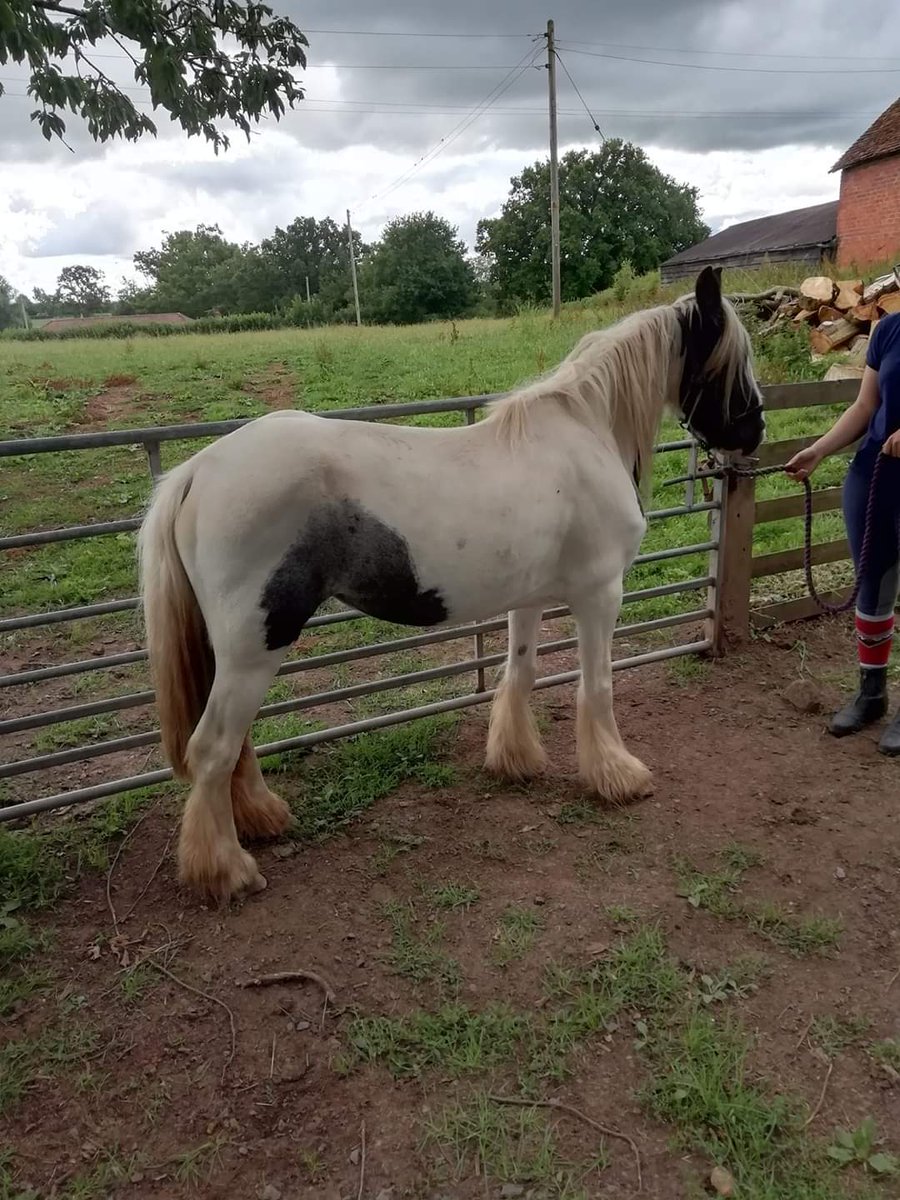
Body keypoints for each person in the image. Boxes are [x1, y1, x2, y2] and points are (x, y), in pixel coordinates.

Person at [785, 309, 900, 754]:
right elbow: (865, 405)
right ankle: (871, 693)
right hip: (874, 474)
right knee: (872, 586)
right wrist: (818, 450)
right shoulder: (889, 330)